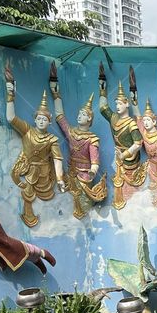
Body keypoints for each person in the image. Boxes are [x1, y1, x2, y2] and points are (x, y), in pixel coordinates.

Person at [6, 75, 66, 228]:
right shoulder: (28, 131)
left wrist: (59, 179)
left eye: (44, 119)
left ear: (49, 122)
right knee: (26, 193)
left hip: (44, 173)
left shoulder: (52, 139)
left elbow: (57, 159)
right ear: (35, 119)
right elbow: (11, 118)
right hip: (26, 169)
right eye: (39, 118)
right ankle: (27, 213)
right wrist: (10, 96)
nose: (41, 121)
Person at [52, 87, 107, 219]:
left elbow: (95, 161)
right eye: (79, 113)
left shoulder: (92, 139)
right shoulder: (71, 132)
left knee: (85, 207)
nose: (79, 116)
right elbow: (60, 116)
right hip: (71, 173)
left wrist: (93, 171)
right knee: (68, 202)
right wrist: (56, 94)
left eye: (83, 114)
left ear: (89, 119)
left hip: (85, 176)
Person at [99, 81, 145, 210]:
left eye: (120, 103)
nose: (117, 106)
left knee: (130, 186)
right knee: (119, 182)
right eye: (116, 104)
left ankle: (133, 206)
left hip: (130, 159)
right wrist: (102, 89)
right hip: (119, 158)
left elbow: (138, 143)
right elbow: (103, 108)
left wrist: (124, 154)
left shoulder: (131, 124)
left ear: (127, 104)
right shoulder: (114, 118)